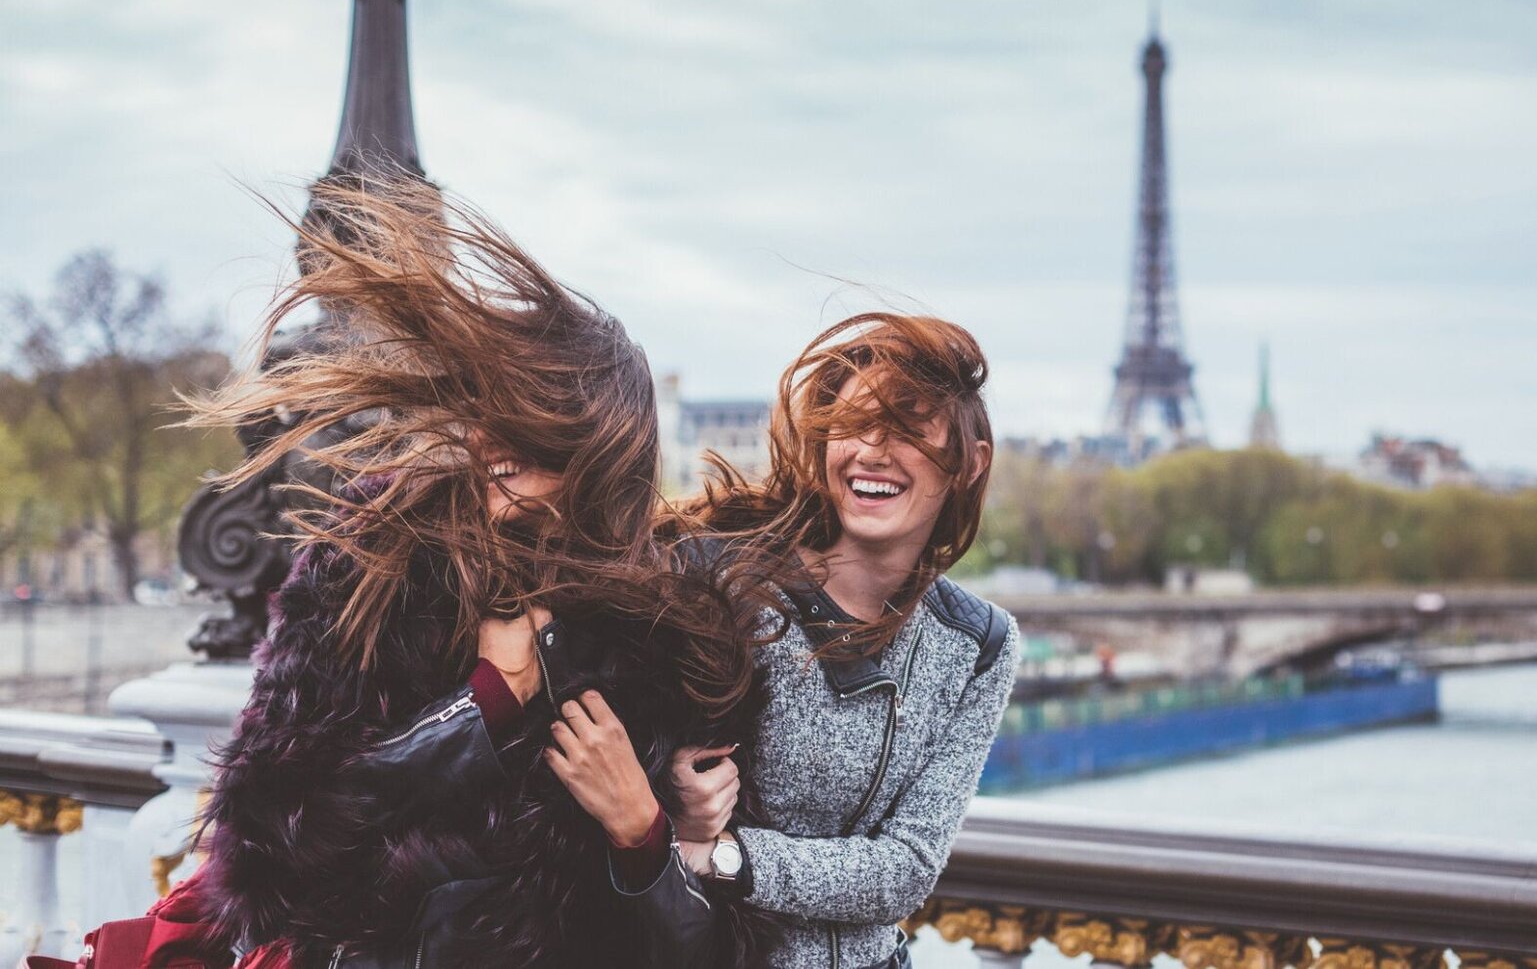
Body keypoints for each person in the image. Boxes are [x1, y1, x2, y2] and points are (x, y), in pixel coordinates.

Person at [156, 178, 763, 969]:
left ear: (600, 453)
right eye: (492, 407)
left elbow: (701, 953)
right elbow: (266, 851)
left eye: (539, 427)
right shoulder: (368, 565)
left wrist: (647, 829)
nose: (499, 440)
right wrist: (482, 705)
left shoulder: (669, 640)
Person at [667, 313, 1022, 969]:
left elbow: (909, 867)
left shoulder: (980, 645)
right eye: (854, 424)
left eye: (910, 427)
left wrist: (727, 855)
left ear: (970, 464)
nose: (873, 449)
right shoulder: (719, 583)